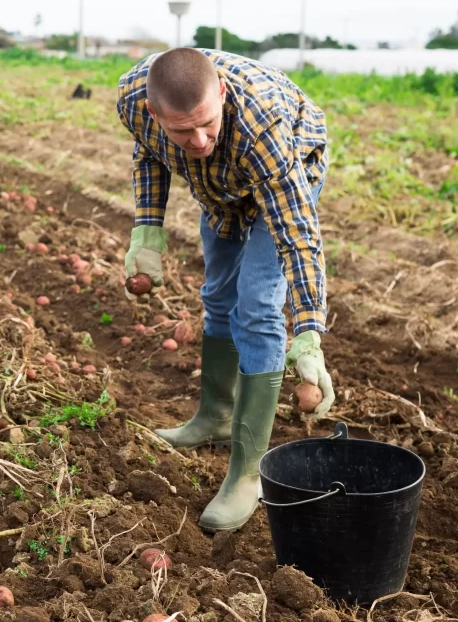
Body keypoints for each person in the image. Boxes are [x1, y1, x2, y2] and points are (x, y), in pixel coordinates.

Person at [117, 48, 336, 533]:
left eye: (207, 124)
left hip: (284, 171)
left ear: (222, 93)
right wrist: (147, 234)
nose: (197, 140)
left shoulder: (264, 128)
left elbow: (297, 238)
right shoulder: (134, 101)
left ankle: (248, 474)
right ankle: (215, 415)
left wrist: (308, 338)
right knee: (218, 294)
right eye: (182, 130)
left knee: (256, 304)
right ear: (155, 113)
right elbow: (150, 154)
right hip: (220, 186)